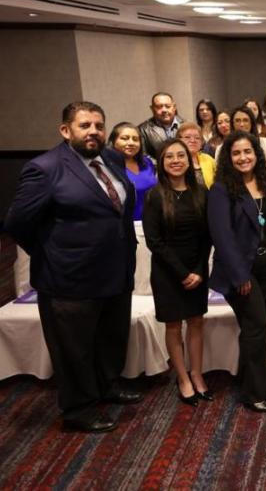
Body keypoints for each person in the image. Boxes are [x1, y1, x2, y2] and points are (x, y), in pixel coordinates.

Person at [6, 101, 140, 432]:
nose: (93, 131)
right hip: (69, 280)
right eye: (85, 125)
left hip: (115, 271)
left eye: (98, 125)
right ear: (66, 130)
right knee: (74, 349)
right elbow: (17, 222)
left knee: (109, 337)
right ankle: (79, 408)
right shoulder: (46, 168)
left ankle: (107, 386)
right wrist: (54, 253)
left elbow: (116, 209)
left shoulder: (109, 158)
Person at [207, 131, 266, 412]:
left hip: (265, 268)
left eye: (247, 152)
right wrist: (239, 276)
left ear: (256, 153)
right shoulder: (222, 189)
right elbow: (222, 236)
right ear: (228, 157)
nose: (243, 157)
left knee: (255, 328)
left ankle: (250, 379)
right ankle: (255, 393)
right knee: (256, 327)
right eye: (236, 153)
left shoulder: (265, 182)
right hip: (240, 272)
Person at [143, 138, 212, 406]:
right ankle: (182, 378)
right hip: (167, 272)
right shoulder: (155, 195)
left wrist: (197, 270)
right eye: (169, 156)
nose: (175, 160)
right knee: (173, 325)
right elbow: (154, 241)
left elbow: (208, 236)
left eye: (180, 155)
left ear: (189, 158)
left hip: (197, 269)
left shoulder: (201, 192)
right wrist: (183, 272)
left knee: (197, 322)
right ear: (161, 162)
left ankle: (197, 374)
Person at [108, 122, 157, 221]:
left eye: (135, 139)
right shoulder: (108, 167)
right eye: (125, 138)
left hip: (153, 221)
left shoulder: (147, 162)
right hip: (126, 225)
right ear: (113, 141)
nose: (131, 143)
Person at [226, 106, 266, 173]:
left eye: (245, 120)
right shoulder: (222, 148)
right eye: (237, 121)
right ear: (232, 124)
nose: (241, 124)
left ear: (252, 123)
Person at [139, 92, 184, 157]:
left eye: (168, 106)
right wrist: (163, 164)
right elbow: (144, 156)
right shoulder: (143, 130)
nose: (164, 110)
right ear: (152, 109)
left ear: (174, 107)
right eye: (159, 107)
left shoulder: (186, 125)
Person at [177, 122, 216, 189]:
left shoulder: (208, 159)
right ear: (179, 140)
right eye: (187, 137)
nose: (193, 140)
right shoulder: (175, 161)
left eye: (197, 138)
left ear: (201, 142)